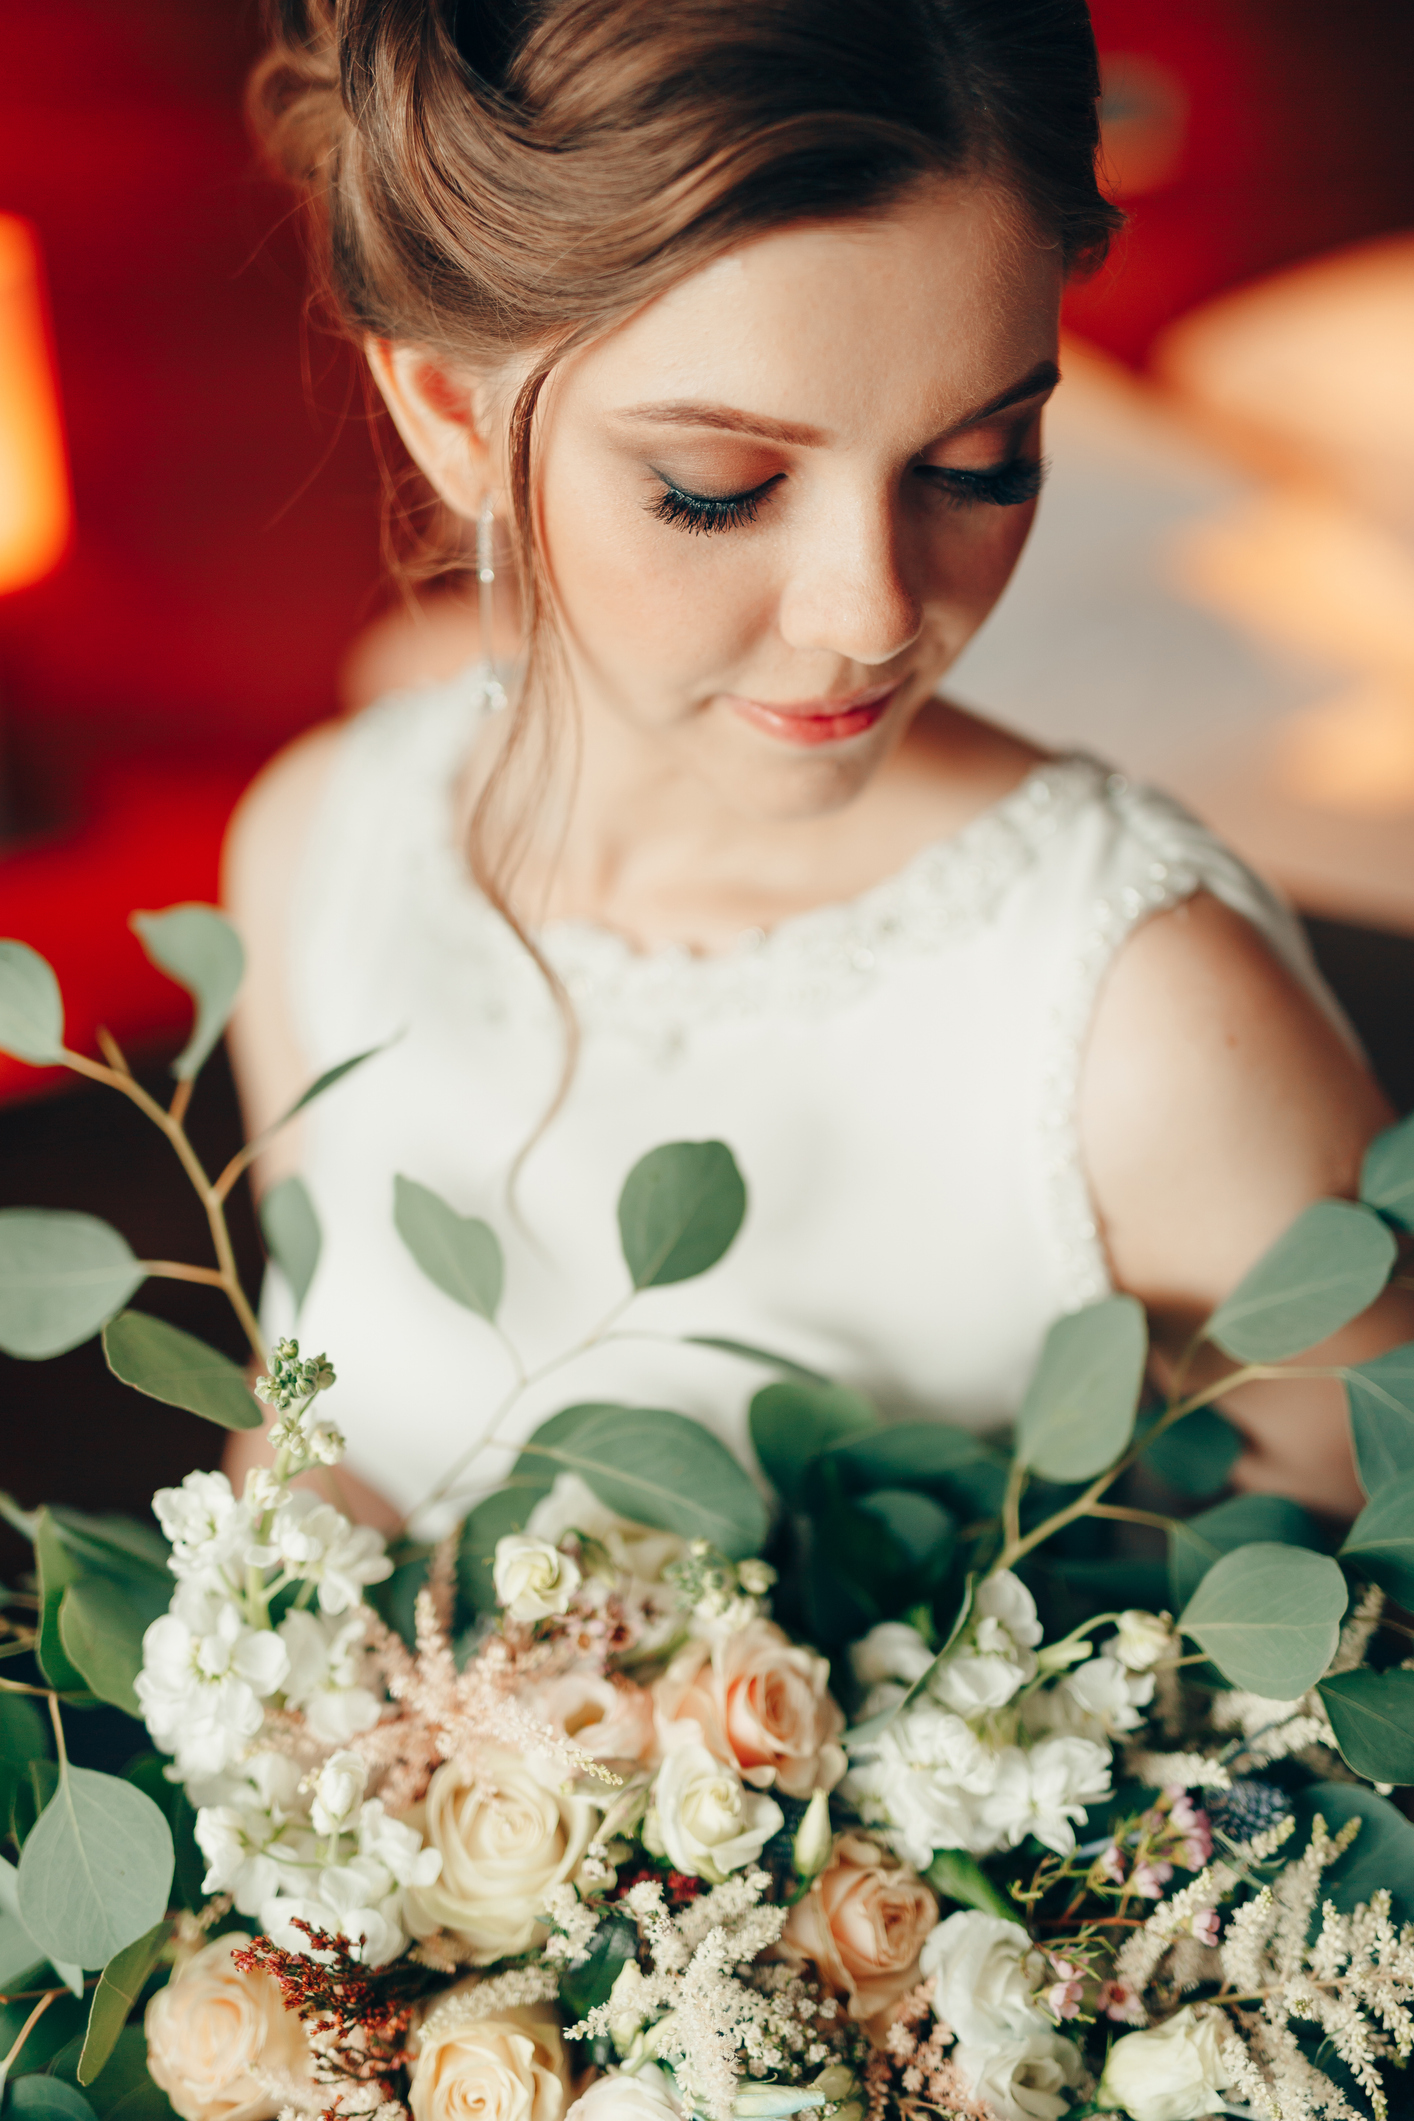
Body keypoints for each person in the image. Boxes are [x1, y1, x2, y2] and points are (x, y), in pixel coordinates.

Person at [223, 0, 1410, 1538]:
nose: (875, 614)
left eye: (979, 465)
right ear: (450, 412)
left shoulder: (1149, 1021)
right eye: (717, 490)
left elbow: (1342, 1667)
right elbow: (309, 1408)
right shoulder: (317, 849)